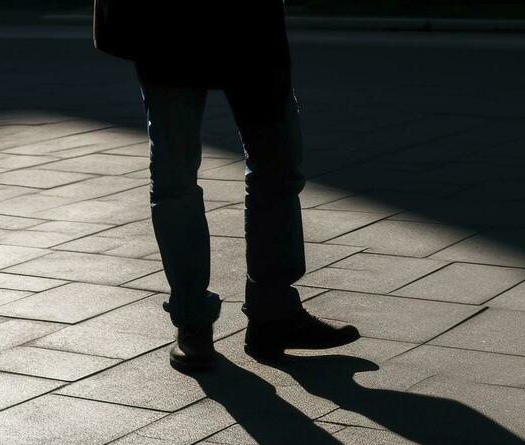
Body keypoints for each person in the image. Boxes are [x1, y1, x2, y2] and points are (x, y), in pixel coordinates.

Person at [93, 0, 359, 371]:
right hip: (164, 24)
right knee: (176, 174)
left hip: (248, 21)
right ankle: (192, 319)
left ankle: (272, 314)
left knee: (276, 166)